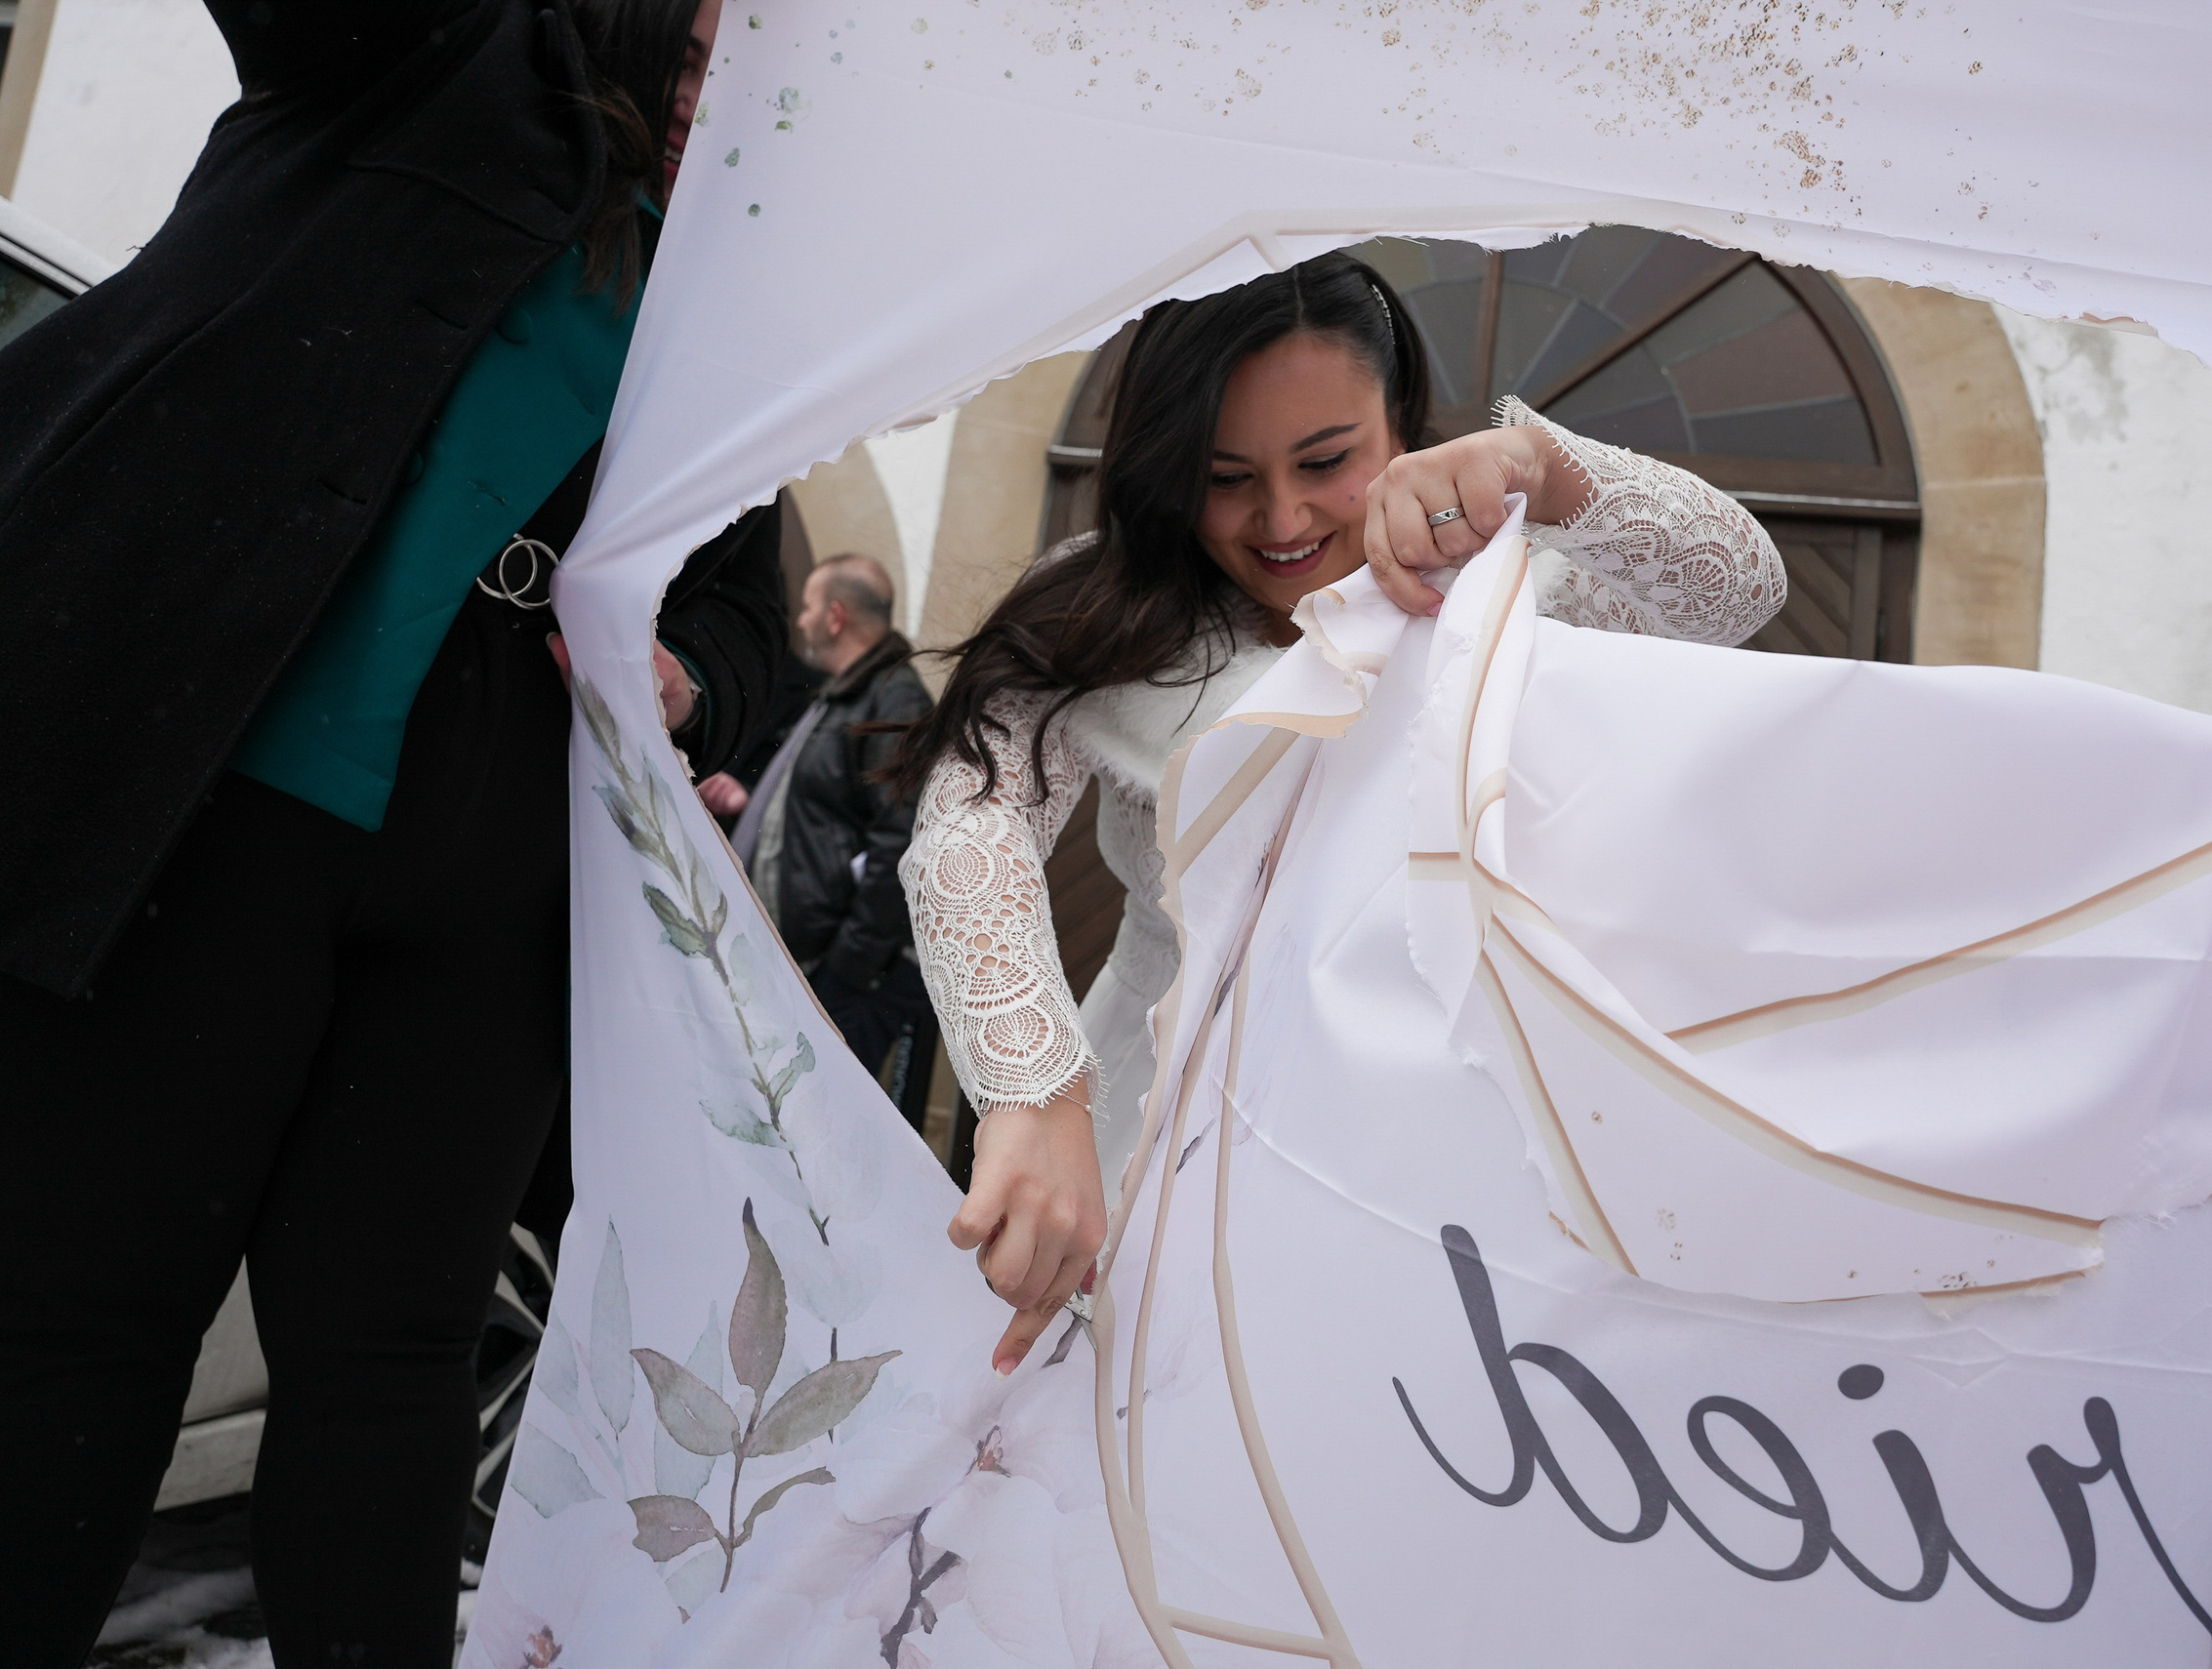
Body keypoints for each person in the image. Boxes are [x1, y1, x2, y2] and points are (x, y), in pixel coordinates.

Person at [0, 1, 786, 1664]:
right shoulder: (428, 54)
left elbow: (743, 614)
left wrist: (690, 673)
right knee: (88, 1324)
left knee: (394, 1360)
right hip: (214, 802)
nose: (742, 39)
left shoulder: (747, 281)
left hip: (488, 867)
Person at [890, 253, 1788, 1376]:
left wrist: (1536, 468)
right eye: (1224, 477)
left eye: (1327, 460)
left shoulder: (1506, 581)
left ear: (1401, 420)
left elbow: (1737, 587)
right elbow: (973, 821)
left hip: (1445, 1124)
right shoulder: (1106, 609)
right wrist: (1035, 1095)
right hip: (1158, 1114)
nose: (1280, 516)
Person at [729, 555, 936, 1084]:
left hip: (838, 985)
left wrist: (849, 969)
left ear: (836, 616)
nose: (800, 620)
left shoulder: (894, 700)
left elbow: (901, 842)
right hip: (805, 971)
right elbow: (830, 809)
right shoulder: (846, 694)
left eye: (808, 607)